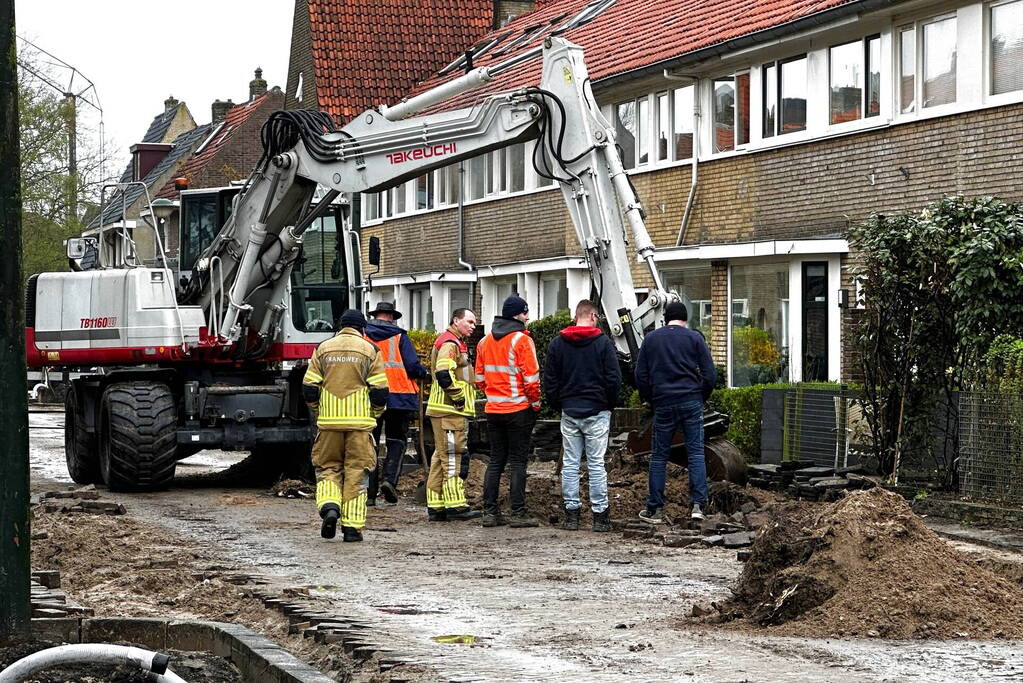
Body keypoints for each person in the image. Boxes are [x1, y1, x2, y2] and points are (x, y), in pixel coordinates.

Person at [303, 309, 389, 542]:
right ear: (363, 329)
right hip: (360, 425)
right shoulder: (371, 350)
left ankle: (330, 507)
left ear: (340, 326)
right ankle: (352, 529)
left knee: (328, 468)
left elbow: (309, 388)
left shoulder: (323, 348)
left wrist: (319, 411)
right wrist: (374, 414)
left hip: (329, 424)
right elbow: (380, 392)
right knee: (357, 474)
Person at [634, 301, 716, 524]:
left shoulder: (651, 339)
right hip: (691, 401)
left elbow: (640, 375)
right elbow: (710, 374)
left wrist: (650, 399)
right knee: (696, 454)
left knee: (659, 456)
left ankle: (655, 509)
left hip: (663, 403)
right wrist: (701, 397)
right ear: (685, 319)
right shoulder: (695, 339)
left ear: (665, 318)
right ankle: (698, 505)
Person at [543, 300, 621, 532]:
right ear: (594, 316)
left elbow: (550, 380)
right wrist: (609, 404)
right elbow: (613, 379)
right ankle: (600, 517)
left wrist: (560, 404)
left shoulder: (558, 344)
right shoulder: (603, 344)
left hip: (570, 410)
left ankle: (572, 516)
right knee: (596, 464)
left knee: (570, 463)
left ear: (576, 316)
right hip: (596, 411)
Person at [475, 295, 541, 528]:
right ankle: (517, 512)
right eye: (525, 313)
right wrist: (535, 403)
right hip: (519, 409)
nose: (528, 317)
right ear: (516, 315)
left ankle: (490, 512)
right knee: (518, 461)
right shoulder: (521, 341)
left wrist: (495, 393)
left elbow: (479, 379)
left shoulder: (484, 342)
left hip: (493, 409)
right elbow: (531, 379)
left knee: (496, 461)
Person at [364, 301, 428, 506]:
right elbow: (411, 365)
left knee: (369, 444)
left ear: (376, 315)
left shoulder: (363, 335)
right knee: (397, 441)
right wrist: (423, 372)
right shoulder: (400, 335)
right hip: (399, 395)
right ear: (391, 316)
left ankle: (369, 494)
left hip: (372, 395)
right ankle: (390, 480)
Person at [424, 308, 483, 522]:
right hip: (450, 411)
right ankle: (455, 505)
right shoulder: (451, 344)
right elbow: (443, 373)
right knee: (452, 457)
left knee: (440, 458)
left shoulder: (451, 341)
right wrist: (458, 398)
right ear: (456, 321)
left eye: (475, 323)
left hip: (443, 410)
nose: (473, 326)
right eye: (469, 321)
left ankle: (436, 504)